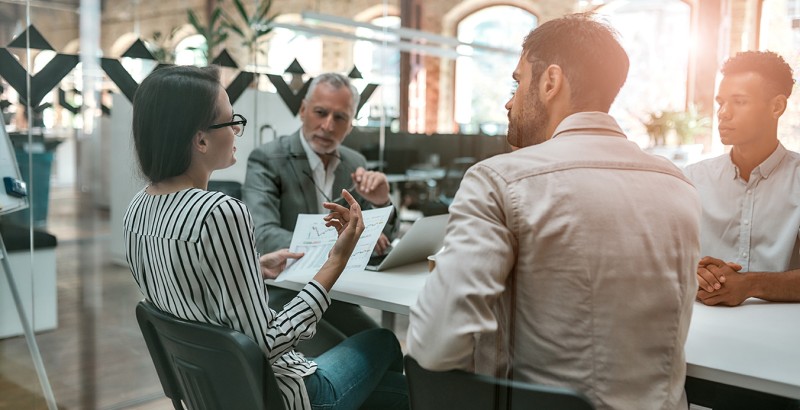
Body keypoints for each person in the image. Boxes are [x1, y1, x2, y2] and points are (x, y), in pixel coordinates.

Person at [406, 13, 700, 410]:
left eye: (517, 81)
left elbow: (435, 345)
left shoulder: (498, 180)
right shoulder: (678, 183)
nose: (510, 100)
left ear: (550, 82)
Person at [124, 65, 408, 410]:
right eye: (231, 121)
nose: (237, 130)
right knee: (385, 343)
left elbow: (185, 294)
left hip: (216, 391)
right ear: (200, 139)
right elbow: (269, 342)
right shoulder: (220, 211)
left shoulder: (138, 208)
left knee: (392, 390)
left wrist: (251, 268)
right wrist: (336, 259)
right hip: (280, 396)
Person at [242, 72, 397, 353]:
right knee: (362, 355)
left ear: (351, 124)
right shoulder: (268, 158)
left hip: (337, 294)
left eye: (340, 118)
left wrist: (382, 201)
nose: (327, 126)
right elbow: (262, 235)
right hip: (284, 294)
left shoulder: (355, 162)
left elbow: (380, 239)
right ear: (303, 110)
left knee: (387, 348)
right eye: (320, 113)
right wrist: (342, 245)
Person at [684, 51, 800, 307]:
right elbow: (666, 259)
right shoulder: (691, 179)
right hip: (704, 330)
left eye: (739, 101)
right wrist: (693, 273)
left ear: (776, 106)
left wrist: (750, 283)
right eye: (721, 102)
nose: (723, 113)